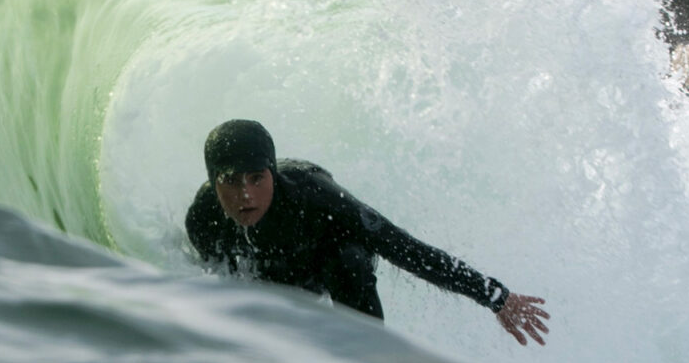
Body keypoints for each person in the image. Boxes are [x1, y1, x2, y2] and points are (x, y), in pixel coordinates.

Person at [185, 119, 550, 346]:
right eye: (230, 181)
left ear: (272, 175)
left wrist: (493, 295)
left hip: (328, 261)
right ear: (212, 182)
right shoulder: (203, 218)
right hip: (278, 274)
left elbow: (403, 248)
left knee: (349, 261)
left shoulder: (317, 200)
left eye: (256, 178)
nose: (245, 194)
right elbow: (221, 281)